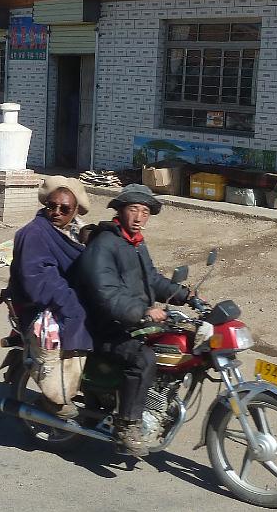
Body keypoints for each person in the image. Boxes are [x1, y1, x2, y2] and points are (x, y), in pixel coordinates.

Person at [75, 184, 191, 456]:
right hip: (105, 327)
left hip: (130, 323)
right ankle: (127, 425)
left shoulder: (134, 243)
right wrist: (142, 312)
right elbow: (106, 293)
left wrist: (186, 296)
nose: (139, 217)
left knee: (176, 342)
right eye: (133, 209)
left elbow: (151, 278)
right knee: (143, 359)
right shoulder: (104, 244)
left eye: (145, 211)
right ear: (120, 210)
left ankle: (155, 403)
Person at [9, 176, 93, 419]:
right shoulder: (34, 234)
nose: (56, 212)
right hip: (40, 304)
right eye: (51, 206)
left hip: (65, 295)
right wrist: (71, 302)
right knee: (77, 320)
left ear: (75, 211)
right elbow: (39, 280)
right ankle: (57, 395)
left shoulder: (75, 230)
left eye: (64, 208)